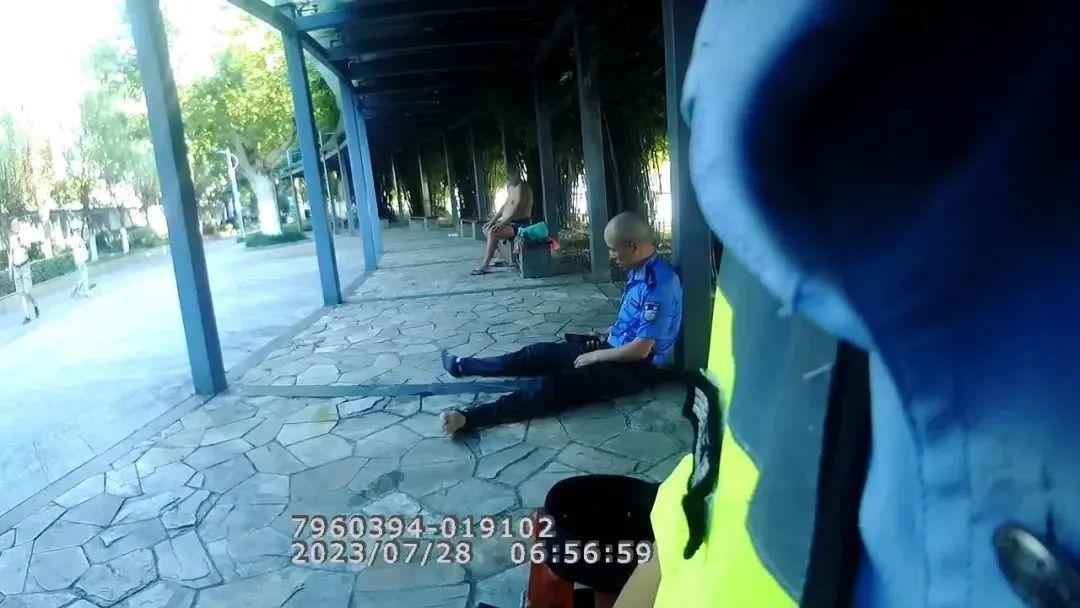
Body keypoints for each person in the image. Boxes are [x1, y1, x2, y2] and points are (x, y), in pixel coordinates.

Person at [441, 211, 682, 435]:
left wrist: (595, 356)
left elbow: (641, 349)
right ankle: (465, 365)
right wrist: (603, 334)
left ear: (635, 246)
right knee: (537, 354)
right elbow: (633, 323)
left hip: (633, 368)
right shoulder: (638, 269)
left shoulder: (659, 285)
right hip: (611, 347)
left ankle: (469, 418)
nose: (611, 256)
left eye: (613, 250)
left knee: (552, 388)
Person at [471, 171, 533, 275]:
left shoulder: (523, 187)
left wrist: (504, 223)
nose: (507, 178)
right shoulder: (511, 187)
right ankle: (500, 258)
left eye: (509, 175)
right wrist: (493, 220)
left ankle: (485, 265)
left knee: (493, 232)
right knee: (486, 228)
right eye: (506, 176)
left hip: (521, 224)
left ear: (517, 174)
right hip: (508, 222)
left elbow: (518, 207)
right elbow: (506, 205)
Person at [11, 241, 39, 325]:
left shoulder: (21, 238)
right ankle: (27, 316)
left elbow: (28, 248)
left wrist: (23, 246)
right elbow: (10, 254)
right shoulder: (10, 240)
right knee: (21, 293)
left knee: (27, 291)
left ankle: (35, 304)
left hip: (24, 266)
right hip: (16, 268)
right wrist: (10, 269)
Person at [69, 227, 92, 298]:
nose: (79, 232)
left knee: (83, 275)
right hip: (81, 260)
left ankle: (76, 289)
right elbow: (82, 248)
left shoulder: (73, 239)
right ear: (75, 231)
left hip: (78, 260)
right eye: (78, 230)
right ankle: (87, 292)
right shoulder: (78, 239)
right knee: (84, 276)